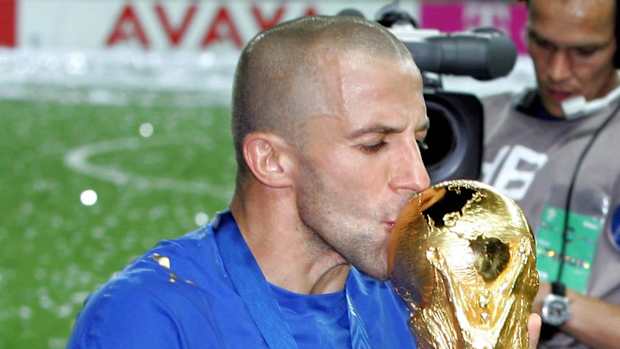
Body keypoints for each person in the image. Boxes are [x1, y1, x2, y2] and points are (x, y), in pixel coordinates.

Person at [67, 15, 540, 348]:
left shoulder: (415, 305)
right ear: (270, 160)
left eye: (419, 141)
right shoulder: (151, 318)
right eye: (374, 144)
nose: (418, 179)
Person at [482, 0, 620, 347]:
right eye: (543, 44)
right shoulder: (478, 120)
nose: (557, 71)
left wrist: (547, 301)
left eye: (584, 52)